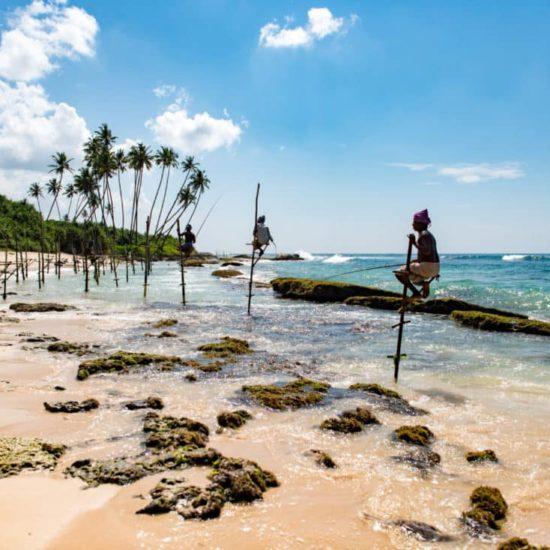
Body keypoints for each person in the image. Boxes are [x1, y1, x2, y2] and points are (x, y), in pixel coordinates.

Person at [394, 209, 440, 299]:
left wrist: (414, 243)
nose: (412, 224)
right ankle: (424, 283)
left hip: (427, 268)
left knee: (399, 273)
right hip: (435, 268)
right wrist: (418, 260)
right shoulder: (429, 235)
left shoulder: (423, 234)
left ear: (420, 224)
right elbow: (431, 254)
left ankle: (415, 293)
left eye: (414, 222)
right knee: (412, 277)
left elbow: (427, 251)